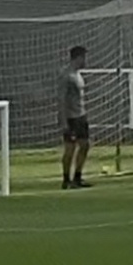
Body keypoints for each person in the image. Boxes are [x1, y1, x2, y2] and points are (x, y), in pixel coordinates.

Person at [59, 45, 92, 190]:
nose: (85, 60)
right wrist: (64, 121)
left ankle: (77, 177)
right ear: (78, 58)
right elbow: (61, 99)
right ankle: (66, 179)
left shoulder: (79, 75)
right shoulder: (67, 76)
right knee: (70, 149)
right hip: (71, 118)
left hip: (81, 116)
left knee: (85, 146)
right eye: (84, 57)